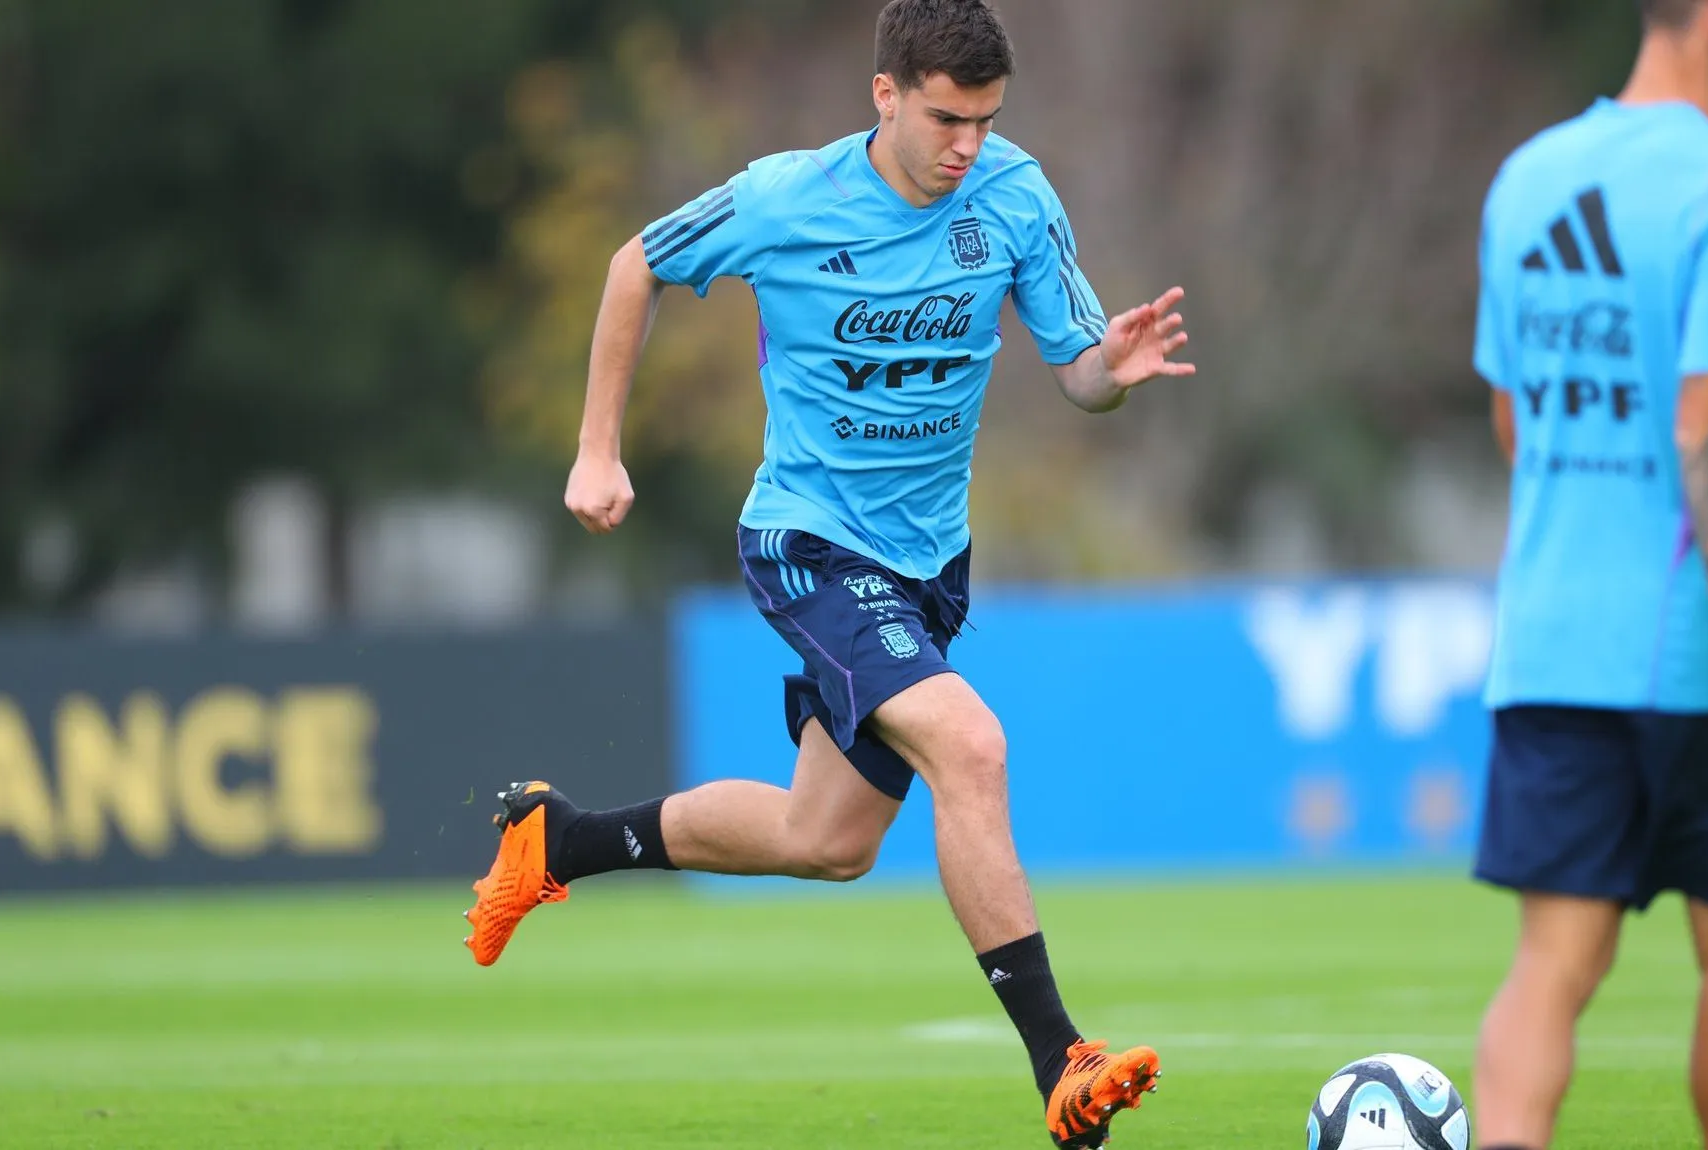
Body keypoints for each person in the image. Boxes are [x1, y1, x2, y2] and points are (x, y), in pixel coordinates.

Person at [460, 1, 1190, 1145]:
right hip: (808, 543)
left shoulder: (1012, 194)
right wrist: (597, 449)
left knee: (827, 840)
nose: (967, 146)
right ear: (884, 95)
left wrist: (1113, 367)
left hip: (928, 567)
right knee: (970, 745)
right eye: (945, 120)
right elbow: (634, 264)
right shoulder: (784, 198)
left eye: (986, 121)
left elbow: (1076, 373)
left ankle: (560, 842)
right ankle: (1061, 1058)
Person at [1468, 2, 1708, 1148]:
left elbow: (1513, 423)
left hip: (1548, 644)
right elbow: (1707, 423)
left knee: (1550, 965)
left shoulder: (1523, 179)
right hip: (1699, 660)